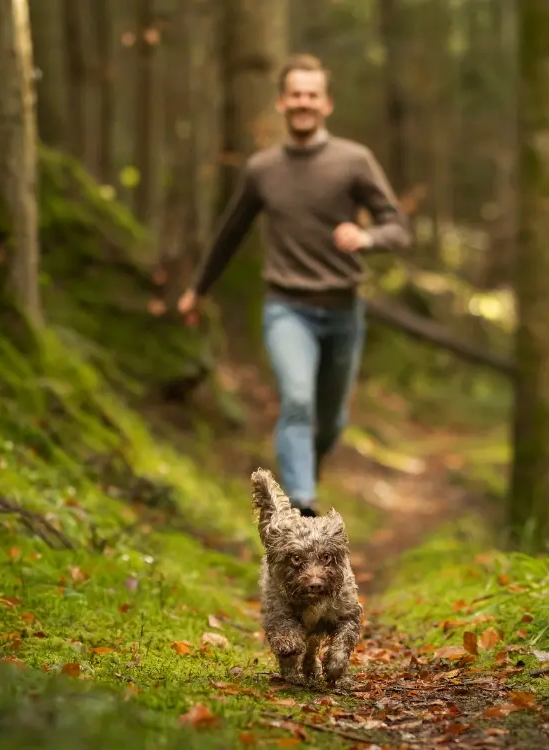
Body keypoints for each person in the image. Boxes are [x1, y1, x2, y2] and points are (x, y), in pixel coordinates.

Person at [177, 53, 412, 517]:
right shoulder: (262, 169)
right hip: (287, 308)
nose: (303, 102)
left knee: (330, 423)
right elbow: (230, 235)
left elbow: (399, 228)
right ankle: (301, 508)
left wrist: (366, 236)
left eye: (313, 94)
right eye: (296, 94)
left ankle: (307, 472)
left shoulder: (353, 161)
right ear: (282, 103)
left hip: (344, 310)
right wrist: (197, 289)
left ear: (326, 104)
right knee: (298, 401)